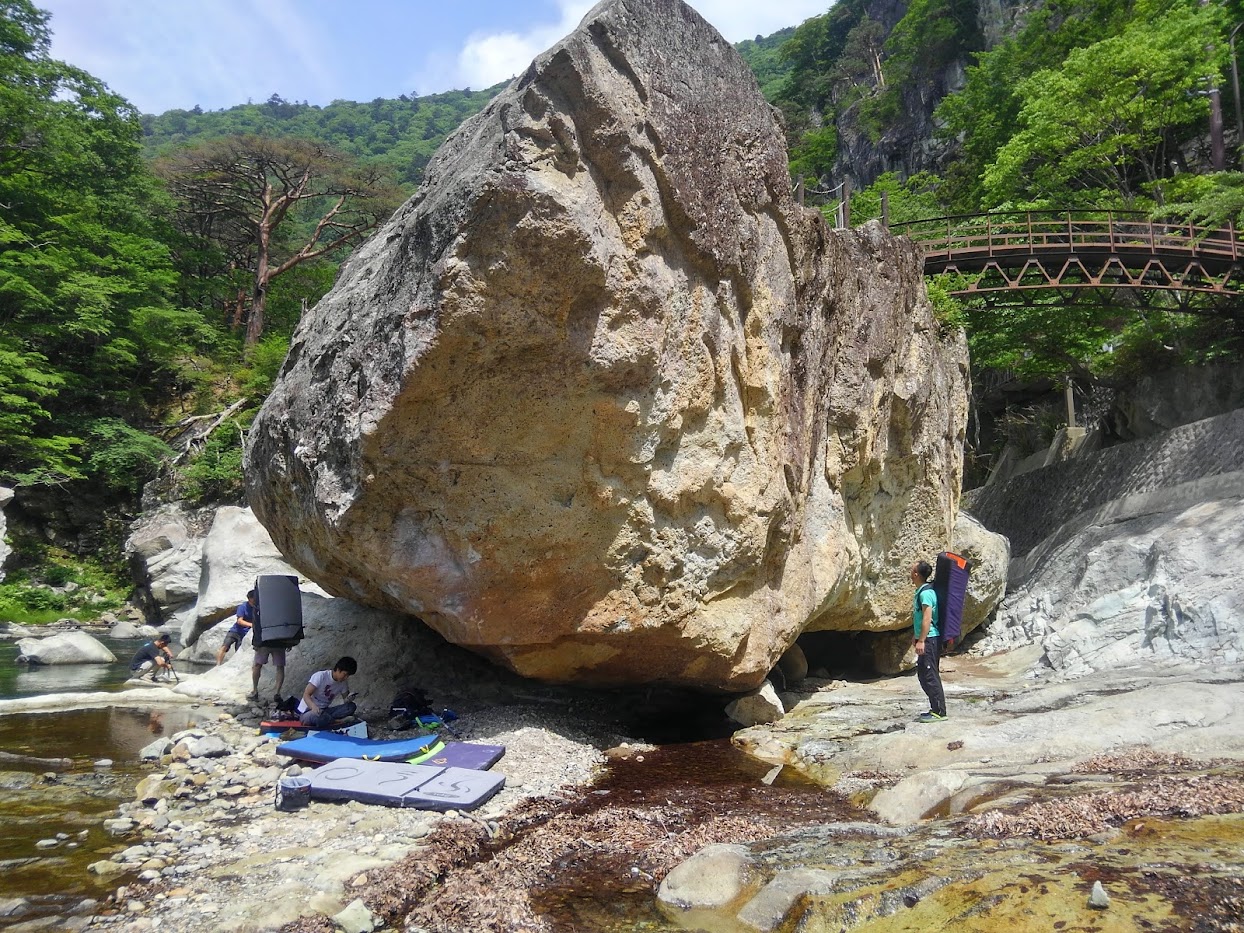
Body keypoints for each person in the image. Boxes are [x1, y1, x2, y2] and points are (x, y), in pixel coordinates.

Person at [911, 560, 947, 722]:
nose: (910, 572)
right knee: (923, 674)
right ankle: (935, 708)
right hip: (926, 638)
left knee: (930, 674)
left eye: (912, 570)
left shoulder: (926, 593)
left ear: (917, 574)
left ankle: (939, 712)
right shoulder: (921, 591)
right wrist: (916, 636)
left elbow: (927, 618)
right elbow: (920, 619)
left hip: (931, 639)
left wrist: (922, 640)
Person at [297, 657, 358, 729]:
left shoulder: (343, 683)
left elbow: (346, 701)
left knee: (351, 707)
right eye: (345, 674)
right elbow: (306, 694)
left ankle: (328, 720)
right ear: (338, 669)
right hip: (309, 711)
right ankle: (336, 721)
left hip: (325, 710)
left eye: (348, 676)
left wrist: (349, 698)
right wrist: (313, 707)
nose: (346, 678)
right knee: (317, 716)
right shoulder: (321, 676)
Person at [216, 590, 256, 665]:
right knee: (225, 646)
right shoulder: (243, 607)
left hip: (245, 633)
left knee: (239, 651)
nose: (254, 601)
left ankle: (236, 666)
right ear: (249, 599)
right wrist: (252, 625)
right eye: (253, 599)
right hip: (235, 631)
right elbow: (239, 621)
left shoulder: (257, 608)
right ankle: (217, 665)